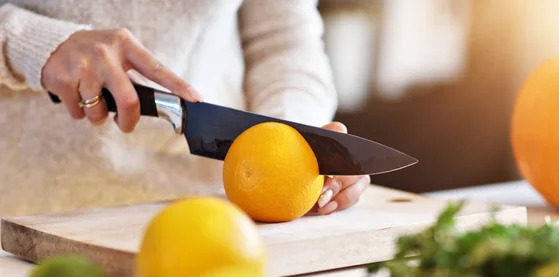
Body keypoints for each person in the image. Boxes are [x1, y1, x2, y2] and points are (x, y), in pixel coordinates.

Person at [0, 1, 370, 218]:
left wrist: (295, 141)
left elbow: (283, 43)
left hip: (209, 221)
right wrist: (32, 44)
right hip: (19, 220)